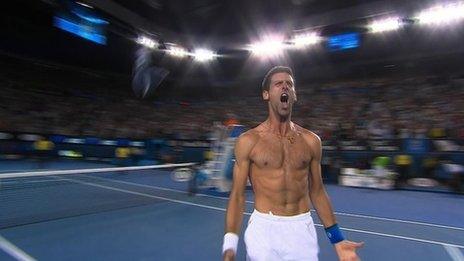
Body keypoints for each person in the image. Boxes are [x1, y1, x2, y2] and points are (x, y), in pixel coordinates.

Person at [223, 66, 364, 261]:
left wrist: (338, 240)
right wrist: (229, 246)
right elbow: (237, 195)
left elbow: (318, 192)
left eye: (289, 84)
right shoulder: (248, 141)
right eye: (278, 84)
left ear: (295, 95)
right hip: (263, 229)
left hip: (301, 229)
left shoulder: (311, 141)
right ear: (266, 94)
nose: (285, 88)